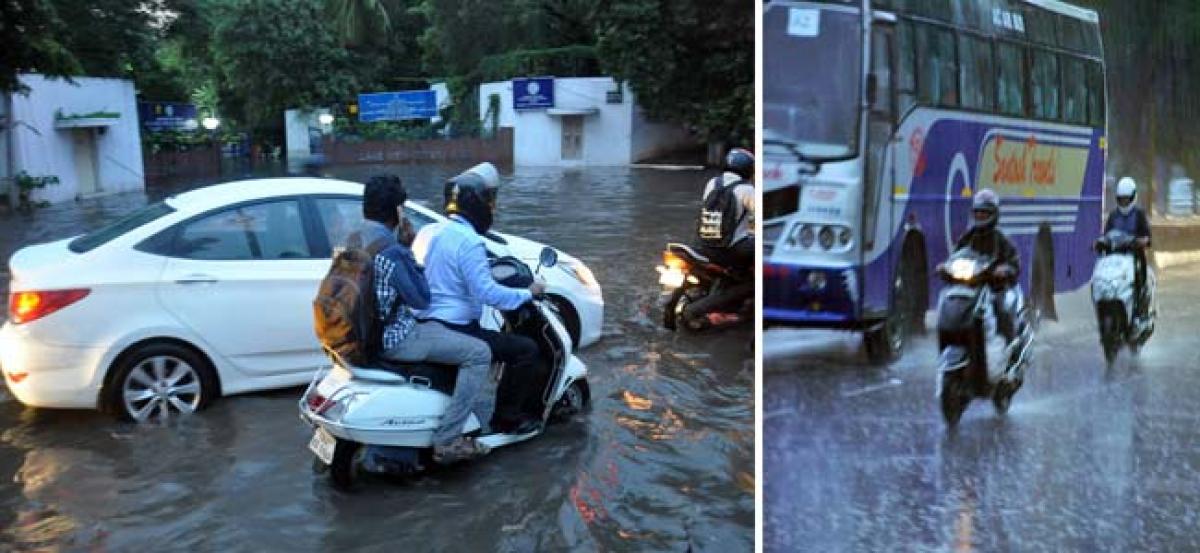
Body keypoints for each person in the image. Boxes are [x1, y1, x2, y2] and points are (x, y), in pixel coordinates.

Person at [354, 174, 493, 464]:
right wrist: (408, 247)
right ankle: (448, 439)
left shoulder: (353, 239)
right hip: (395, 338)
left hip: (358, 335)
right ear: (398, 211)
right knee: (479, 353)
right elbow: (422, 299)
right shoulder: (391, 251)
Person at [416, 163, 547, 436]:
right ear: (477, 205)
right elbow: (488, 294)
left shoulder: (437, 233)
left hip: (433, 322)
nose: (492, 208)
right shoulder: (469, 242)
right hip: (457, 326)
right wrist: (528, 292)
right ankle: (507, 419)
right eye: (490, 201)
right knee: (525, 349)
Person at [690, 147, 755, 324]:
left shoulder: (712, 183)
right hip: (730, 248)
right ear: (749, 169)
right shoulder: (747, 190)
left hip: (702, 245)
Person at [949, 188, 1021, 344]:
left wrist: (1005, 269)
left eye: (985, 213)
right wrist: (945, 267)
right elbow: (955, 256)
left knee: (1001, 309)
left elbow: (1014, 262)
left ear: (994, 214)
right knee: (951, 306)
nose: (980, 216)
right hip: (971, 287)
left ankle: (1010, 343)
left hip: (995, 287)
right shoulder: (967, 237)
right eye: (978, 212)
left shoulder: (1001, 239)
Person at [1103, 177, 1153, 321]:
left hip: (1134, 256)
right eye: (1121, 199)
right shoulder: (1113, 216)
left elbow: (1147, 238)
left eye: (1127, 199)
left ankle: (1141, 302)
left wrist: (1141, 241)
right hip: (1116, 257)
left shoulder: (1139, 215)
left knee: (1139, 276)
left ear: (1133, 197)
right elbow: (1106, 235)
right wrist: (1100, 243)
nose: (1124, 202)